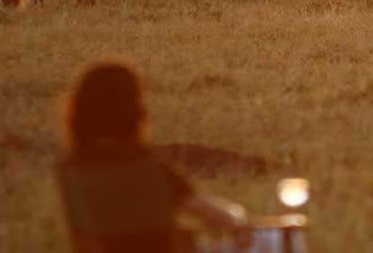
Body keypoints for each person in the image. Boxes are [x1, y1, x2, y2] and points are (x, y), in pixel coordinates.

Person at [56, 62, 250, 253]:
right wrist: (237, 214)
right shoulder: (144, 165)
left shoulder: (69, 169)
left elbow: (88, 237)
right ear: (135, 111)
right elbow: (216, 218)